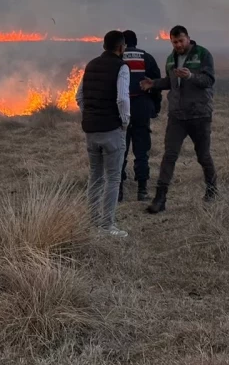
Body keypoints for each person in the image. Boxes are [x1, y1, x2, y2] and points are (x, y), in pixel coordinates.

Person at [140, 25, 216, 214]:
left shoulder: (203, 54)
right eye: (175, 42)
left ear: (188, 38)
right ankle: (160, 198)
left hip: (199, 114)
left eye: (181, 40)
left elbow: (209, 80)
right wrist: (154, 84)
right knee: (169, 155)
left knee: (203, 155)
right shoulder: (170, 59)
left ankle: (212, 190)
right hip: (177, 116)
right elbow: (170, 82)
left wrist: (190, 75)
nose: (179, 44)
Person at [75, 30, 132, 237]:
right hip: (112, 129)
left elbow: (78, 96)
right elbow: (122, 99)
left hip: (91, 129)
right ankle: (108, 225)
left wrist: (89, 115)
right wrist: (124, 122)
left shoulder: (90, 65)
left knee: (95, 176)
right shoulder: (121, 67)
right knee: (113, 178)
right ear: (121, 47)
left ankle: (92, 223)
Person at [119, 28, 162, 202]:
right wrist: (155, 107)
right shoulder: (147, 57)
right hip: (142, 108)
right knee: (142, 150)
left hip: (121, 109)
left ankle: (119, 190)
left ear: (122, 43)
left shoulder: (117, 57)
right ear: (136, 42)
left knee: (120, 150)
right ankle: (142, 189)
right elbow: (156, 84)